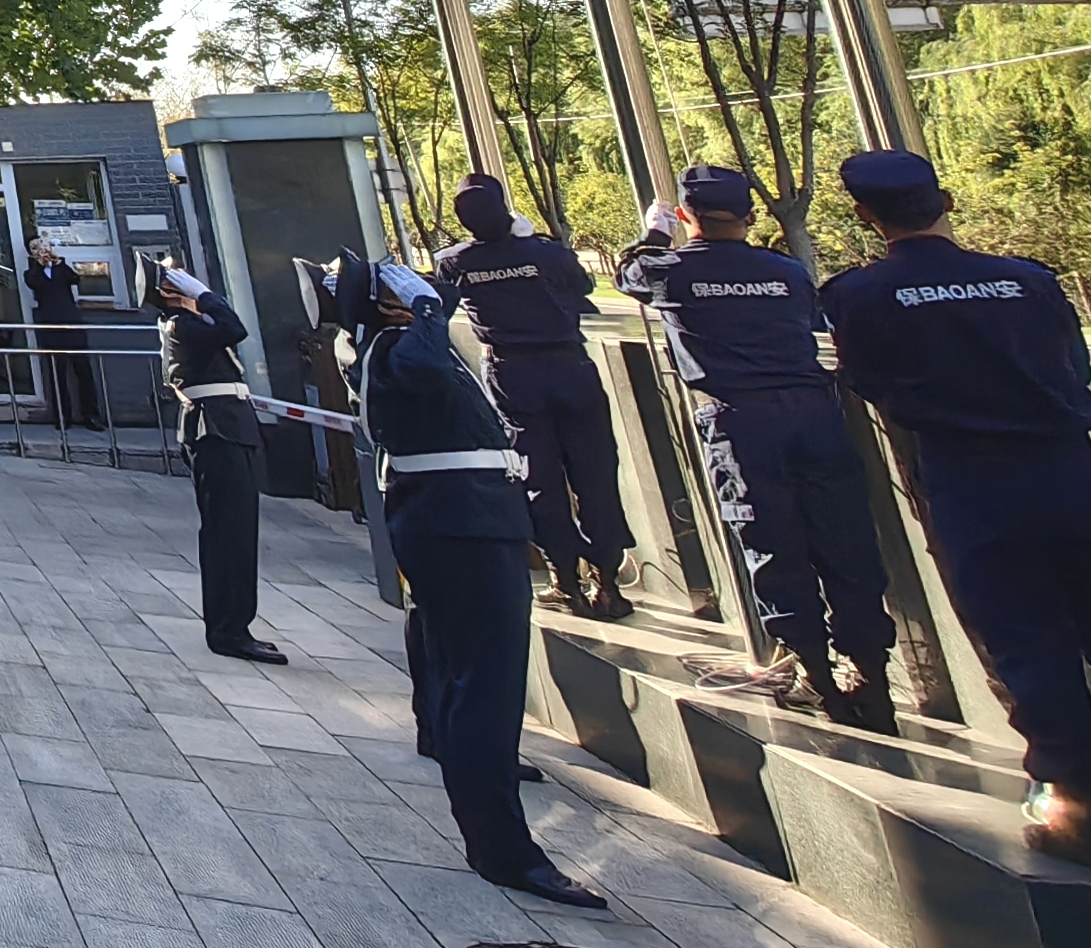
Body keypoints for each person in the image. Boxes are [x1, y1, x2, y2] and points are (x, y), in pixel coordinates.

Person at [821, 149, 1091, 885]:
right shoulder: (1029, 279)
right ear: (946, 202)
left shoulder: (858, 295)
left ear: (867, 217)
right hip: (1077, 474)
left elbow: (866, 381)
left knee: (1032, 654)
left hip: (973, 485)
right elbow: (1076, 370)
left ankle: (1088, 819)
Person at [337, 252, 602, 905]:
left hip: (472, 517)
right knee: (485, 686)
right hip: (459, 523)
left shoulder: (402, 343)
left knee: (479, 682)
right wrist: (425, 309)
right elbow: (425, 361)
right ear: (390, 306)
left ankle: (485, 789)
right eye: (407, 288)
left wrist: (427, 304)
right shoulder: (395, 349)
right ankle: (502, 846)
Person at [621, 165, 898, 729]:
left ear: (686, 215)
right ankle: (870, 674)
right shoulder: (787, 270)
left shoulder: (670, 271)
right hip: (814, 414)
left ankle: (815, 677)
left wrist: (655, 232)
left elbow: (631, 272)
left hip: (739, 421)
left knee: (771, 545)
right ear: (749, 217)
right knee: (846, 543)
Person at [436, 175, 634, 619]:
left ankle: (565, 581)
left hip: (512, 374)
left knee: (537, 478)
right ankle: (608, 583)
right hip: (570, 368)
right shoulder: (546, 253)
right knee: (595, 473)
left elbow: (444, 297)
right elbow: (581, 287)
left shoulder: (454, 262)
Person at [150, 258, 281, 663]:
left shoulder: (187, 324)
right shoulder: (182, 325)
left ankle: (235, 625)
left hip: (225, 426)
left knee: (236, 534)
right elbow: (234, 328)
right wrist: (205, 296)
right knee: (229, 536)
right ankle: (228, 630)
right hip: (217, 430)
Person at [27, 233, 100, 431]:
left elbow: (75, 279)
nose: (41, 251)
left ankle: (91, 415)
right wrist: (40, 265)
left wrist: (58, 263)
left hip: (71, 325)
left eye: (43, 246)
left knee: (83, 371)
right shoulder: (32, 273)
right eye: (35, 248)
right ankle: (62, 416)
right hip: (51, 327)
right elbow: (34, 283)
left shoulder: (61, 268)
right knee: (57, 373)